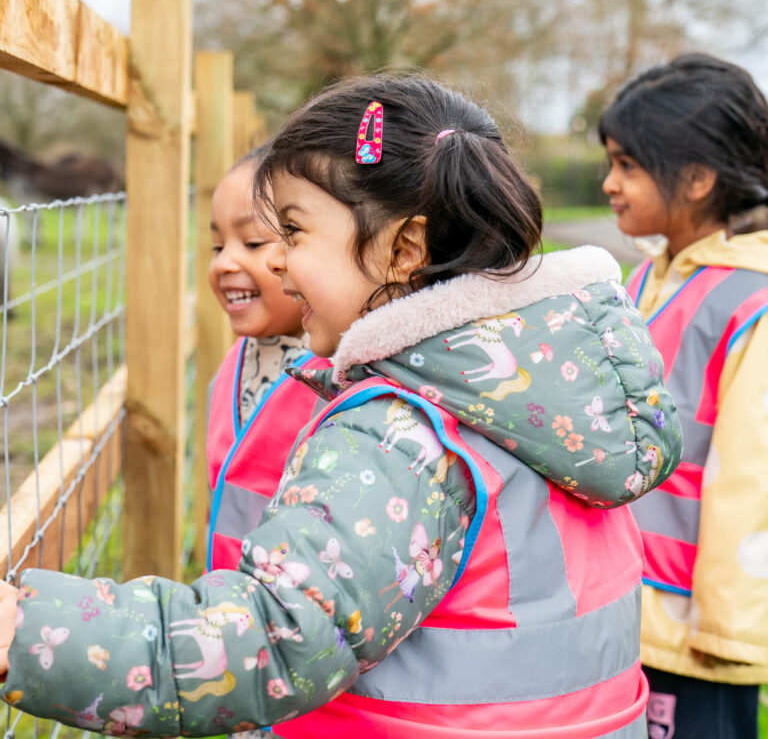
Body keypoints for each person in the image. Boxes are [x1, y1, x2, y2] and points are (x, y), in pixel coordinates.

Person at [0, 75, 682, 738]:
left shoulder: (402, 433)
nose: (282, 265)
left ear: (404, 250)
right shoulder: (547, 400)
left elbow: (272, 638)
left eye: (293, 233)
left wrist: (23, 630)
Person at [600, 53, 768, 739]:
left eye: (628, 165)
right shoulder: (641, 284)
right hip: (624, 609)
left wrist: (728, 631)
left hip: (695, 634)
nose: (609, 183)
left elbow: (752, 476)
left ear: (698, 179)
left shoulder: (751, 301)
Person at [206, 150, 329, 572]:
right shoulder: (231, 369)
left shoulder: (339, 383)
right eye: (217, 245)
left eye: (253, 243)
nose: (223, 262)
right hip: (226, 607)